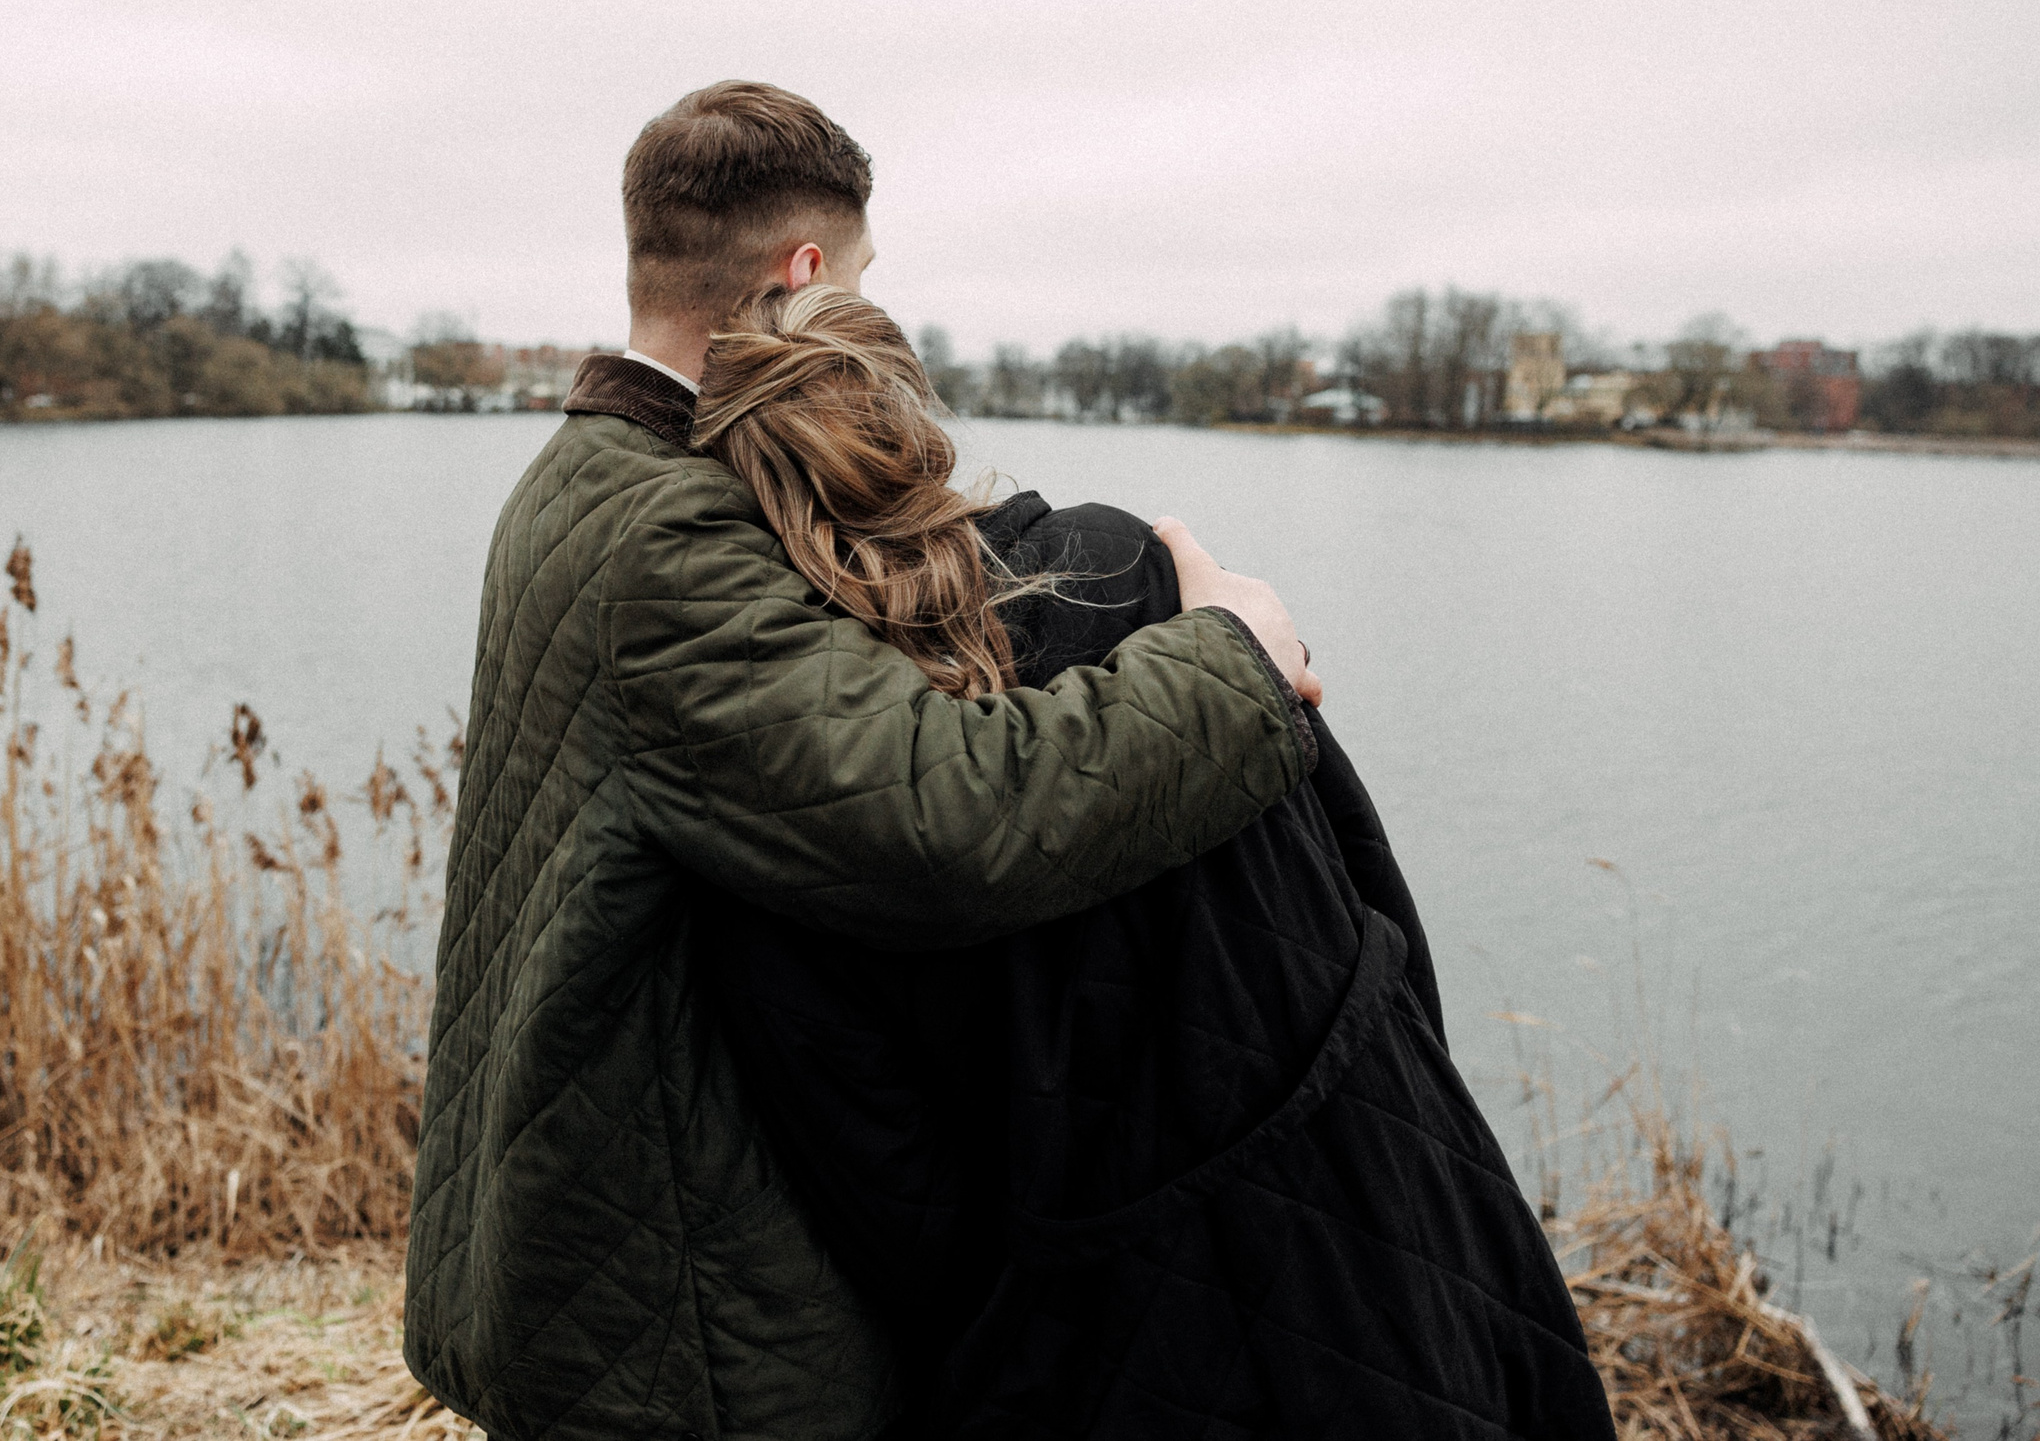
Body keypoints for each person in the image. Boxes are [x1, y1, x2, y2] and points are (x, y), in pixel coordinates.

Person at [404, 82, 1325, 1440]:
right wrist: (1232, 656)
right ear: (805, 273)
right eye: (864, 277)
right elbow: (959, 810)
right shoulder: (667, 539)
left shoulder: (581, 475)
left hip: (597, 1217)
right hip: (672, 1302)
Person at [688, 284, 1617, 1440]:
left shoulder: (784, 770)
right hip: (1389, 1220)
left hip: (1098, 1346)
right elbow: (1371, 902)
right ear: (917, 421)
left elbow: (891, 1198)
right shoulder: (1134, 569)